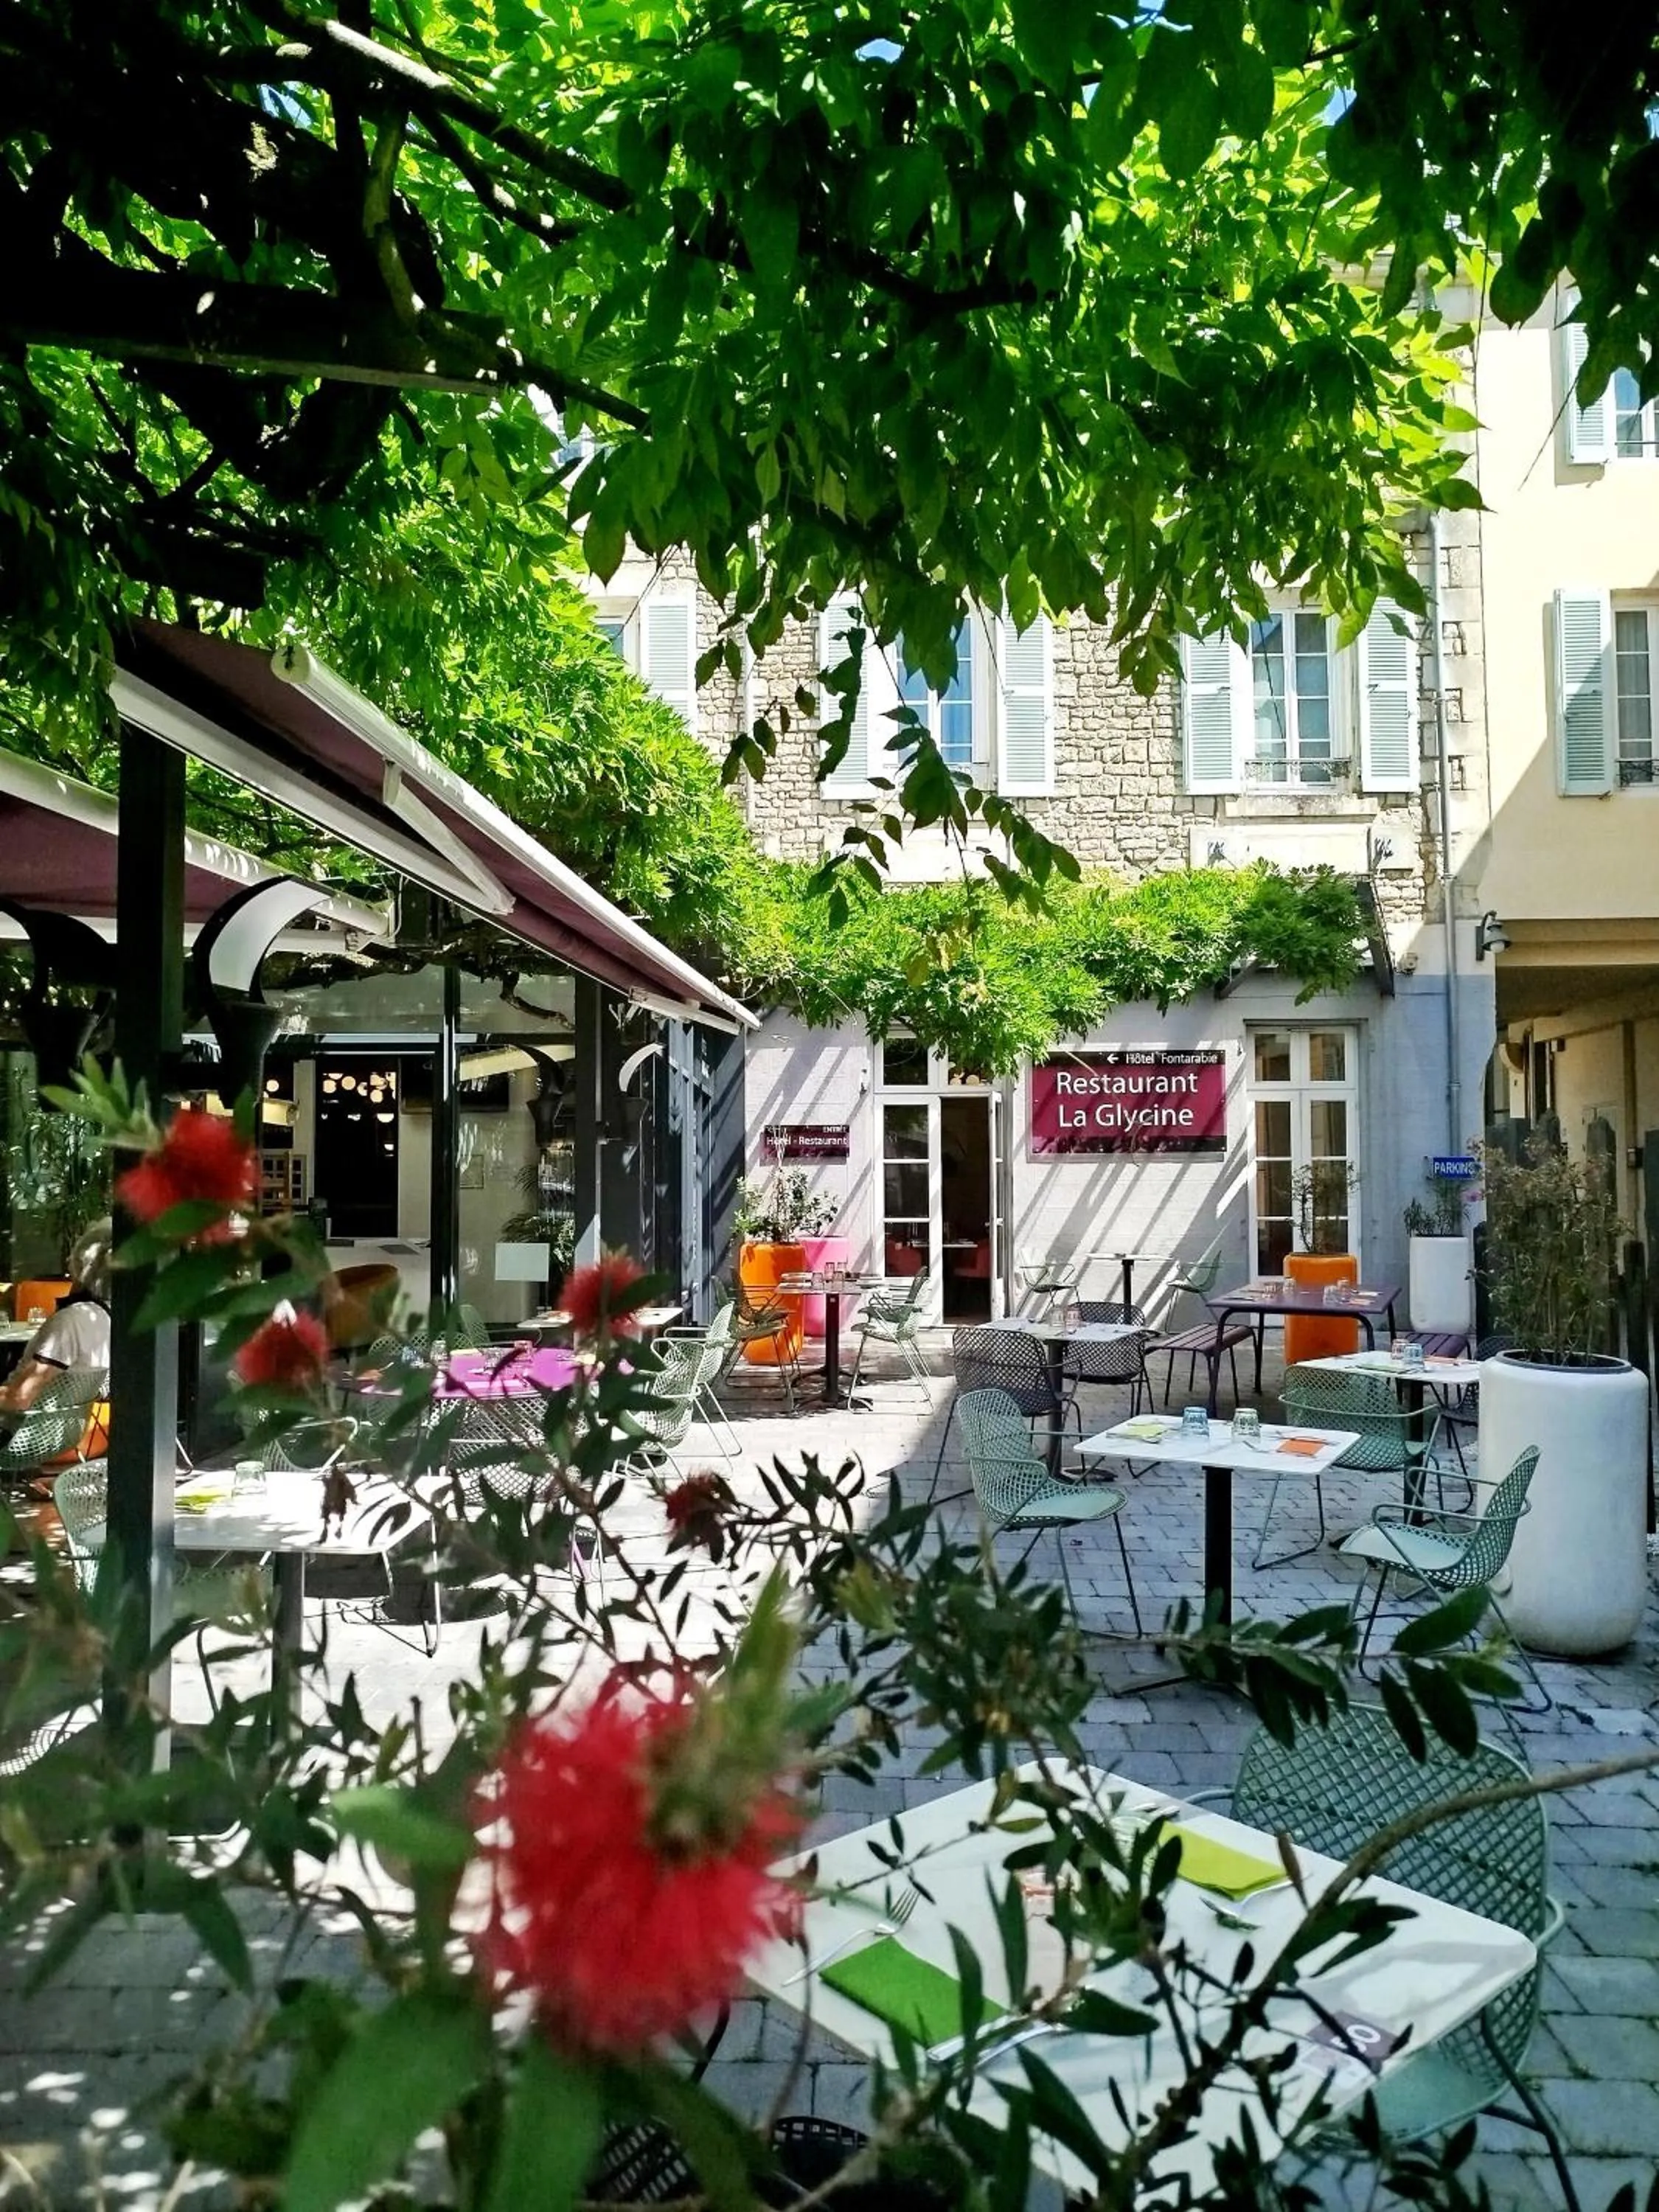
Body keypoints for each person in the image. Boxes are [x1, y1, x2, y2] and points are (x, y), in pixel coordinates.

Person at [0, 1217, 112, 1418]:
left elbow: (19, 1398)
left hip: (20, 1434)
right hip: (66, 1431)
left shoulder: (72, 1321)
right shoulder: (105, 1319)